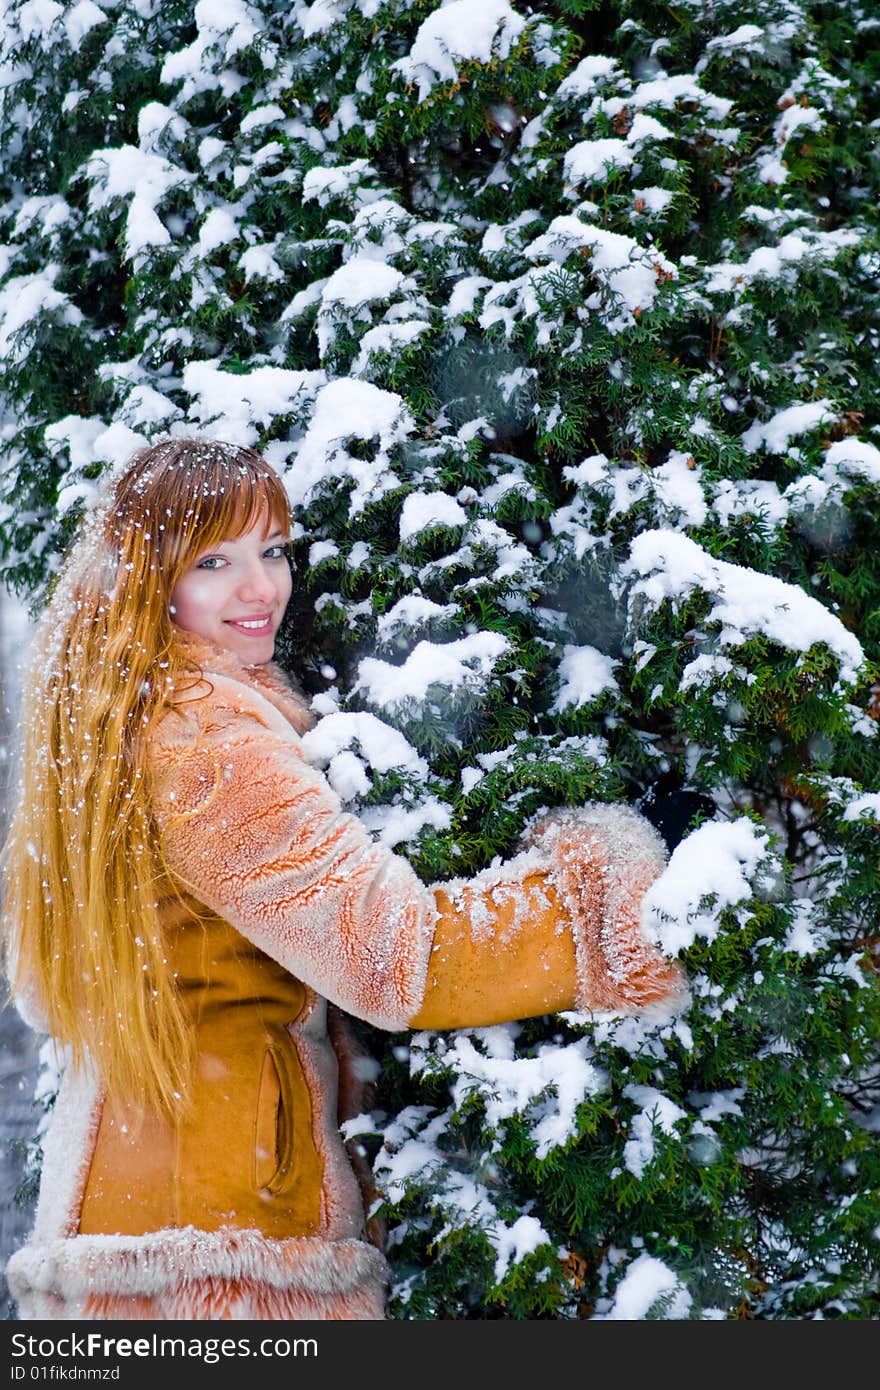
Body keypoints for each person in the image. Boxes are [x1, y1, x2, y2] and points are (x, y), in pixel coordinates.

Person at [2, 438, 686, 1321]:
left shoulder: (122, 710)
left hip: (133, 1196)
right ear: (150, 580)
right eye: (214, 562)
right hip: (224, 1240)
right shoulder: (207, 738)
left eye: (273, 550)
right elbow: (398, 956)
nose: (262, 589)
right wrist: (620, 896)